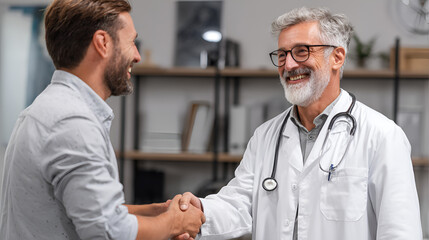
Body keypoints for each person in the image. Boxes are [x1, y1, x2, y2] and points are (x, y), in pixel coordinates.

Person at [177, 7, 422, 240]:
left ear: (337, 57)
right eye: (282, 54)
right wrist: (201, 210)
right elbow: (238, 205)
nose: (290, 65)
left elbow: (400, 232)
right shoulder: (265, 136)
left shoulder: (382, 136)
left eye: (302, 51)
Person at [0, 0, 205, 239]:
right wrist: (175, 222)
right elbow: (109, 232)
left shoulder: (48, 109)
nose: (137, 56)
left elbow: (87, 211)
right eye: (131, 42)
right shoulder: (71, 123)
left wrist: (155, 212)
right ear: (103, 43)